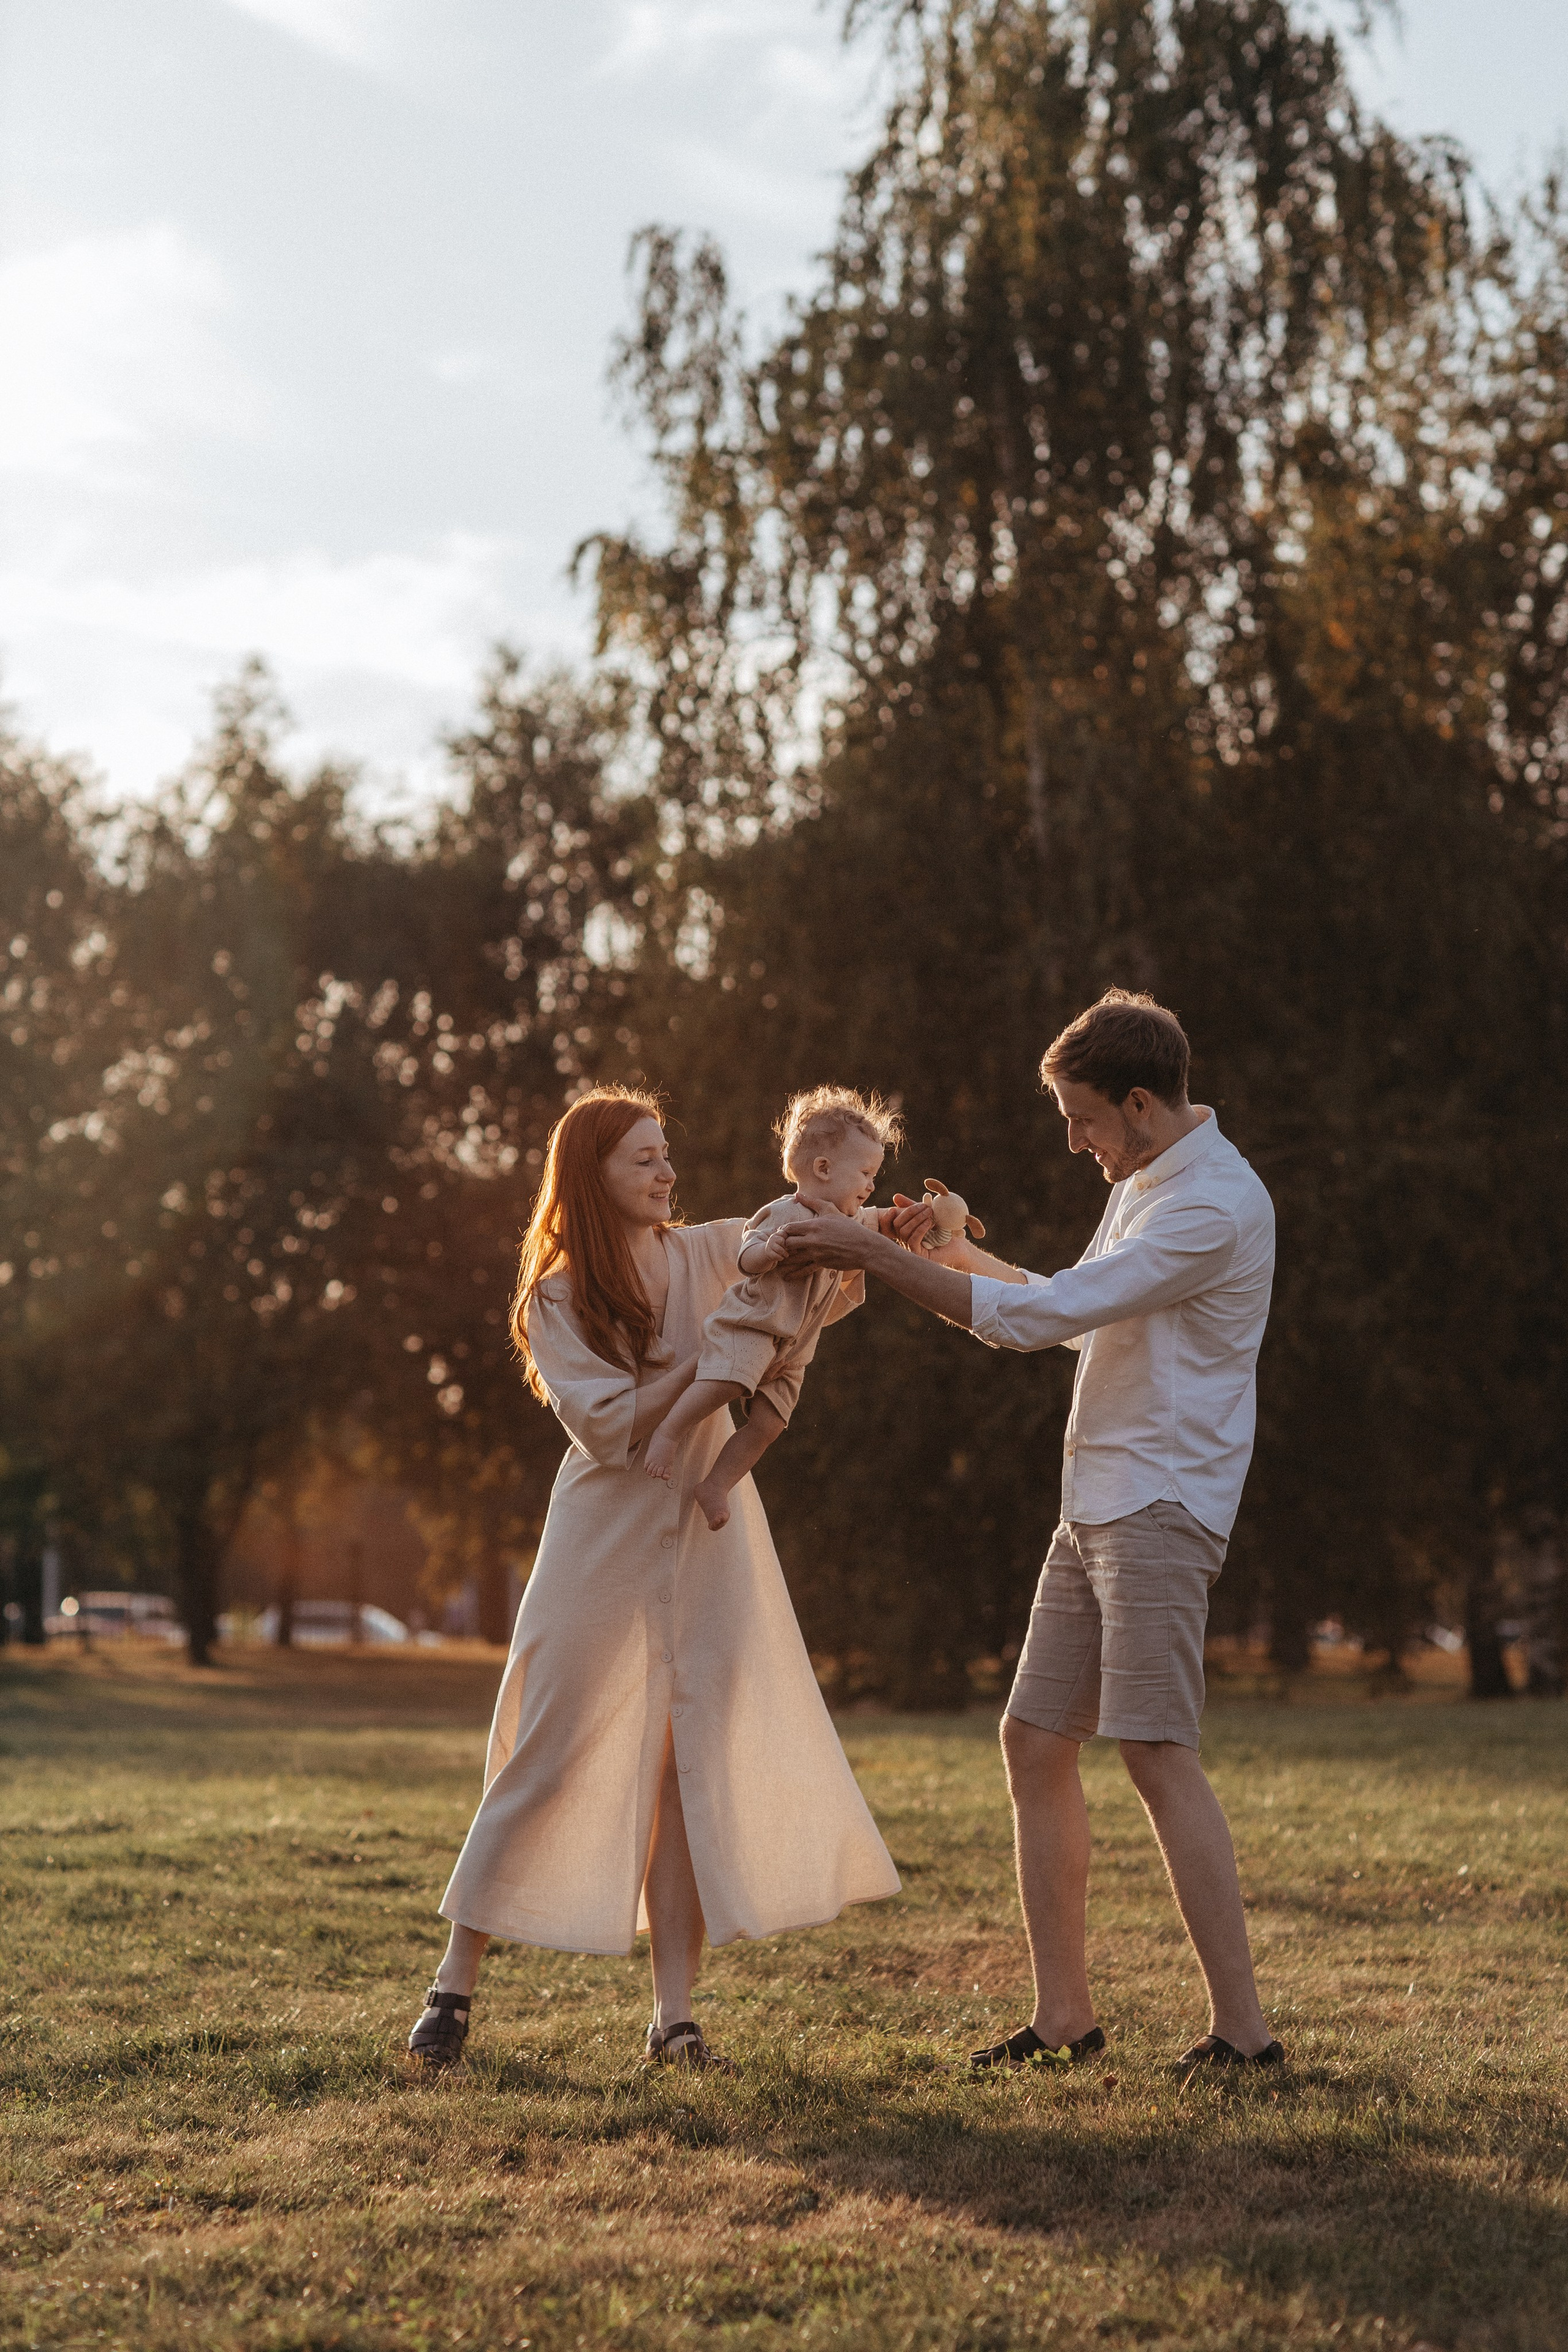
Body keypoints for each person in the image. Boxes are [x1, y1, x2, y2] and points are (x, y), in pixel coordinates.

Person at [775, 990, 1283, 2076]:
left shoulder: (1214, 1207)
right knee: (1035, 1742)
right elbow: (1062, 1305)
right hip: (1094, 1499)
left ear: (1139, 1104)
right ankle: (1066, 2020)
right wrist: (953, 1249)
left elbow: (1037, 1323)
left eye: (1082, 1117)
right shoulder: (1146, 1182)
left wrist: (868, 1257)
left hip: (1160, 1504)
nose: (1072, 1139)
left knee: (1154, 1752)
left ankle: (1245, 2035)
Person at [406, 1085, 900, 2075]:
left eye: (666, 1153)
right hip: (605, 1534)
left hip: (711, 1533)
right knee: (544, 1749)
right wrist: (717, 1362)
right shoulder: (553, 1293)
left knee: (687, 1770)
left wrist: (897, 1223)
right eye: (644, 1157)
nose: (667, 1171)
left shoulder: (708, 1248)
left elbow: (817, 1246)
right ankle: (452, 1988)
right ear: (592, 1174)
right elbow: (612, 1427)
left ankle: (676, 2022)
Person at [643, 1087, 900, 1531]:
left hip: (794, 1351)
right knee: (723, 1385)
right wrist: (771, 1251)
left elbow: (878, 1222)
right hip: (754, 1328)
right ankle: (667, 1432)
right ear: (822, 1169)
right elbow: (746, 1257)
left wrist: (907, 1221)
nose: (871, 1185)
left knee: (769, 1425)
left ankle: (716, 1485)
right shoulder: (783, 1215)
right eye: (865, 1173)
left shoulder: (850, 1221)